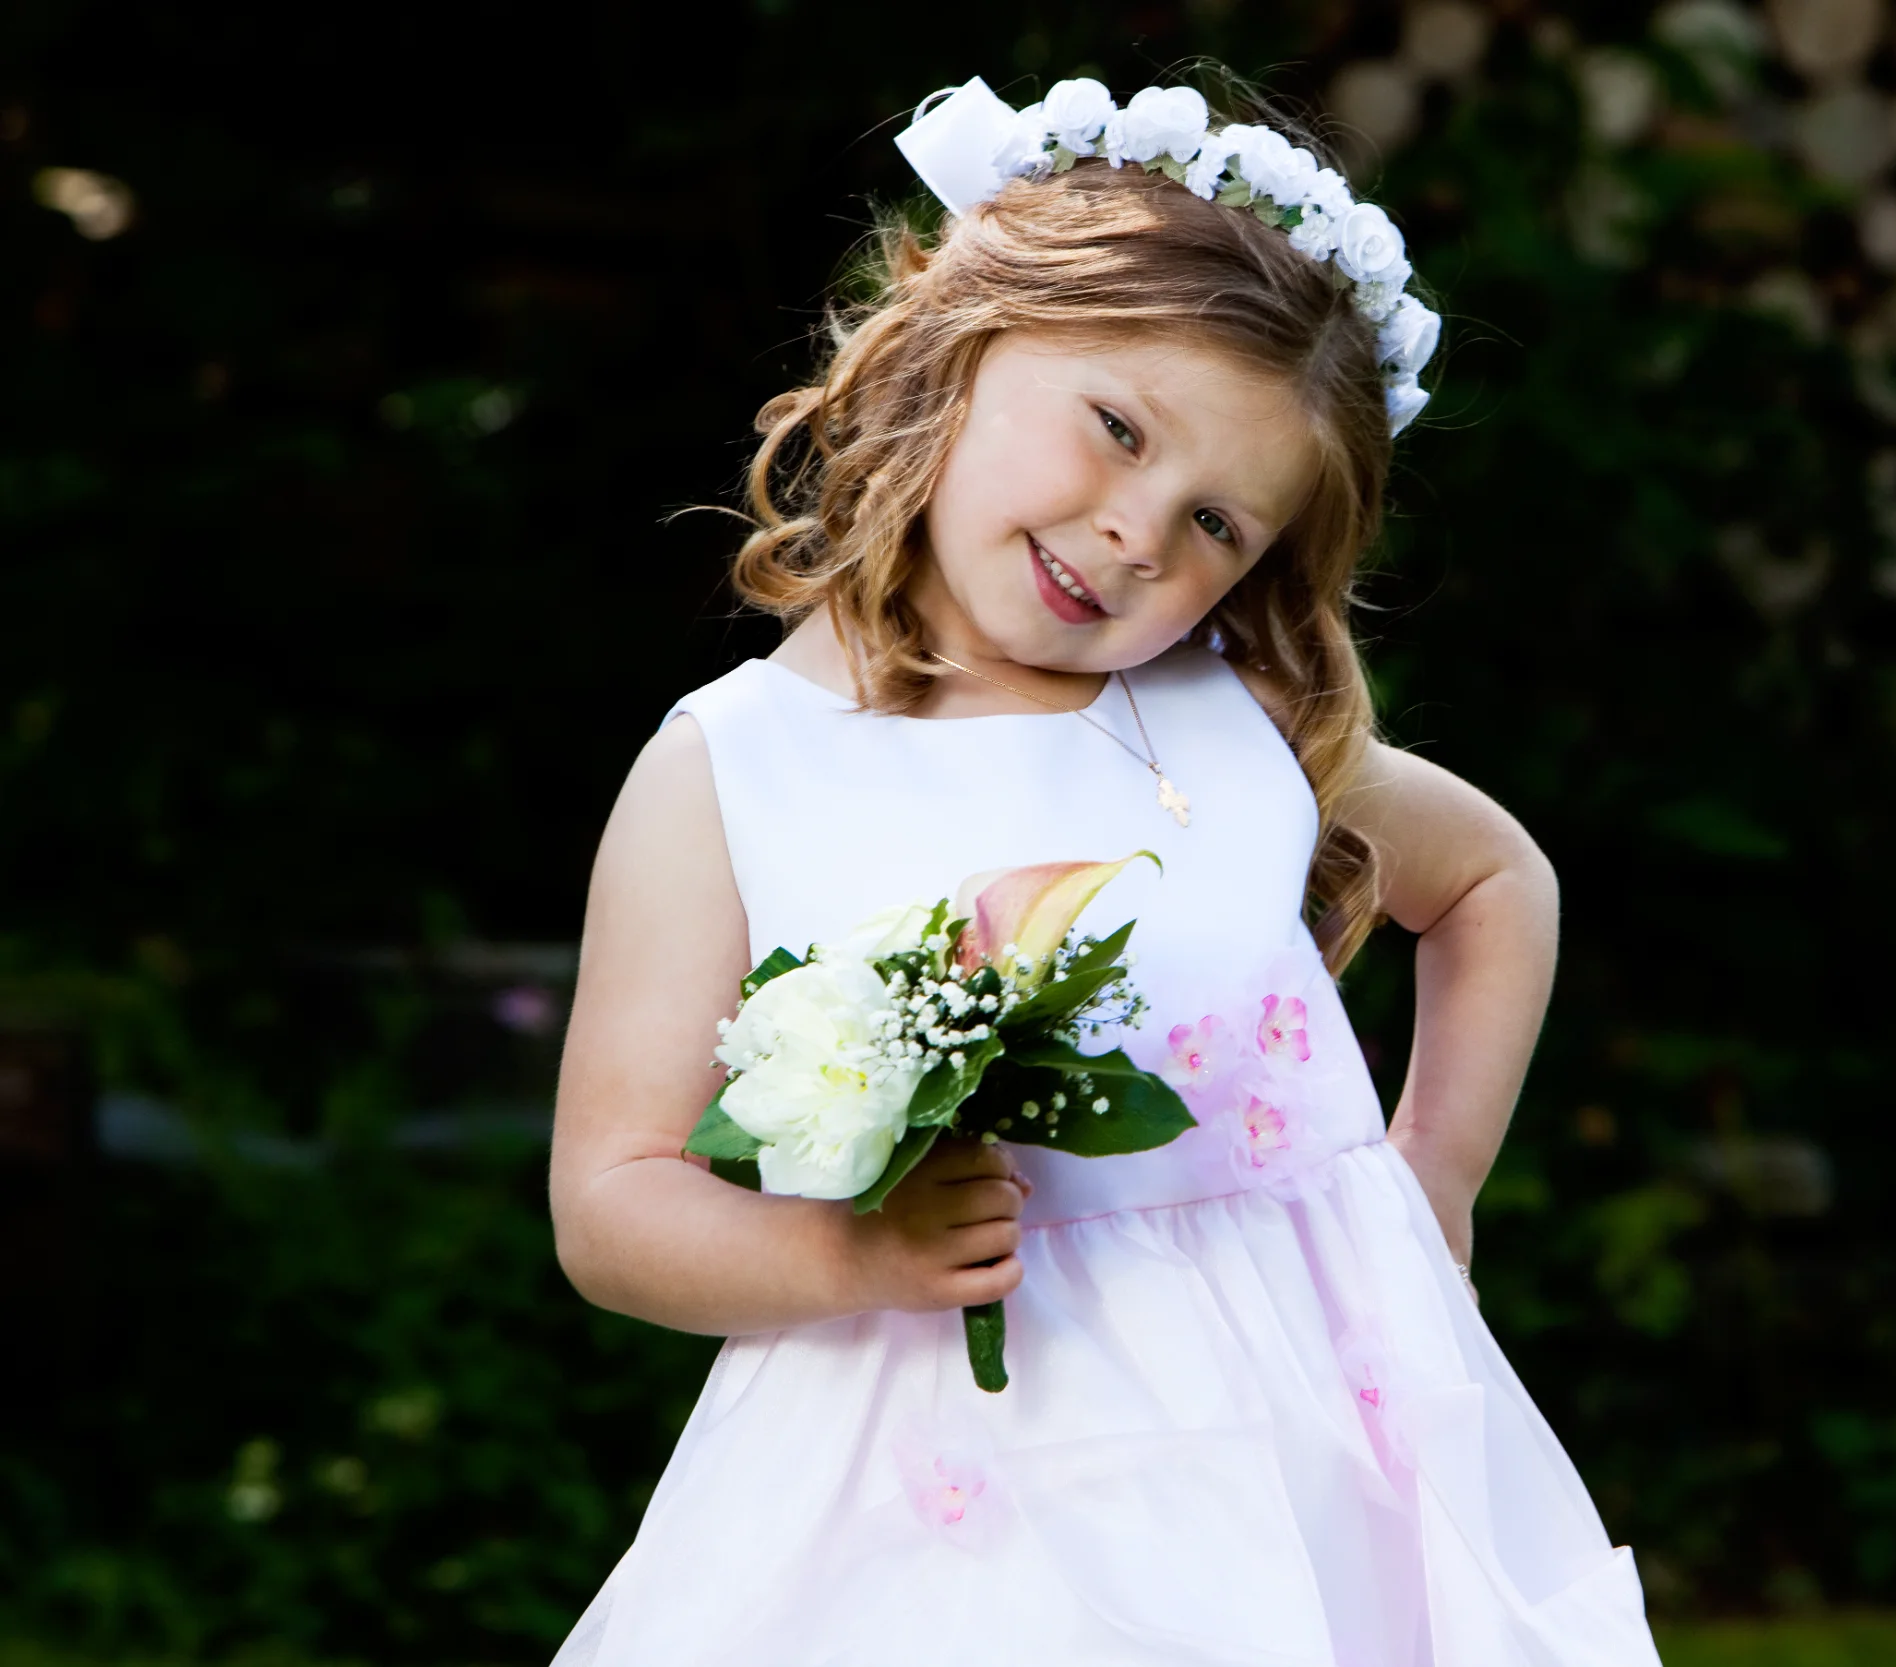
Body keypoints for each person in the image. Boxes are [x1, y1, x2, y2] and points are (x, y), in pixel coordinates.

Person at [545, 73, 1660, 1666]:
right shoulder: (734, 768)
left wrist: (1438, 1182)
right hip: (943, 1470)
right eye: (1115, 427)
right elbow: (612, 1197)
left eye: (1215, 522)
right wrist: (848, 1250)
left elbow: (1492, 886)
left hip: (1302, 1443)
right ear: (966, 344)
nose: (1139, 533)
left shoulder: (1222, 721)